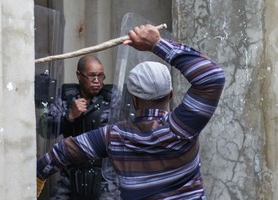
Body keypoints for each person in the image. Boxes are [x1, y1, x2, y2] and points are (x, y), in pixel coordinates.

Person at [37, 24, 225, 199]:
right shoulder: (183, 127)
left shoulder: (114, 136)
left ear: (134, 100)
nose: (96, 80)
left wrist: (37, 178)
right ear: (170, 94)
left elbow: (61, 152)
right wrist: (156, 44)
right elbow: (212, 77)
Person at [49, 55, 119, 200]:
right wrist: (69, 116)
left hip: (105, 173)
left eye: (101, 76)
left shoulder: (112, 98)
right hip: (71, 171)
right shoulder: (66, 97)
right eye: (92, 76)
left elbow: (127, 129)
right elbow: (45, 131)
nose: (97, 81)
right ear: (79, 75)